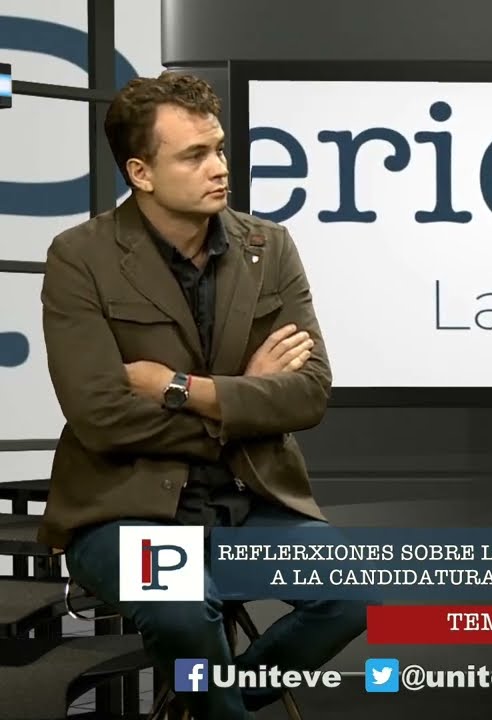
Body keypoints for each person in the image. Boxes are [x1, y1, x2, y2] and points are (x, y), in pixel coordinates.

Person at [38, 73, 367, 719]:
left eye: (218, 149)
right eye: (194, 155)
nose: (219, 168)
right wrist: (242, 401)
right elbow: (101, 417)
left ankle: (210, 703)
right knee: (183, 609)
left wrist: (181, 389)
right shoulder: (80, 256)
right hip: (124, 509)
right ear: (141, 172)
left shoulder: (267, 247)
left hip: (250, 501)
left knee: (356, 593)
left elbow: (307, 394)